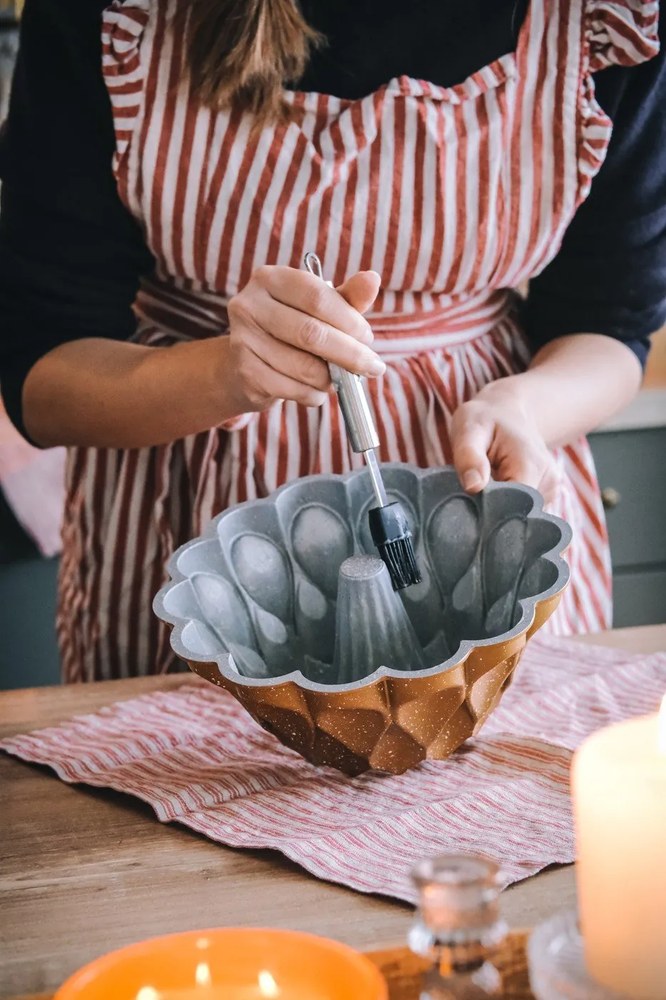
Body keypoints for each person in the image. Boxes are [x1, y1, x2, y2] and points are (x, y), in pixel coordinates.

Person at [0, 0, 665, 681]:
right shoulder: (116, 15)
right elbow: (44, 381)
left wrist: (527, 407)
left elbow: (612, 327)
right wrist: (222, 374)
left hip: (486, 530)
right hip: (187, 527)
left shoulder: (598, 21)